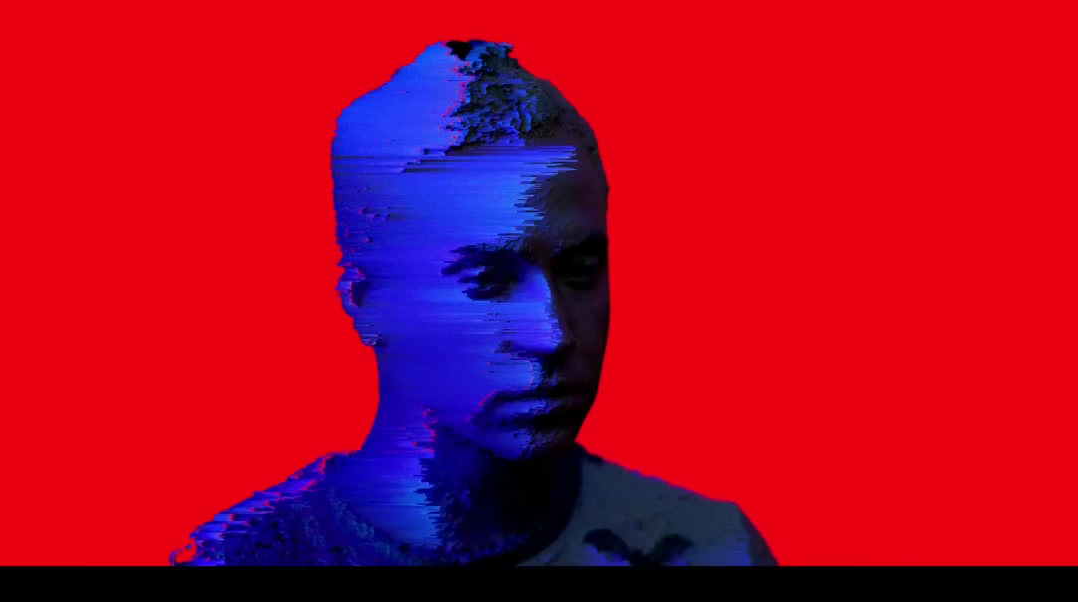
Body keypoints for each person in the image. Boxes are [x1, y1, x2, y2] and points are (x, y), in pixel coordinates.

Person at [172, 40, 777, 566]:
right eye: (487, 281)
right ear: (367, 301)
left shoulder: (708, 549)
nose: (553, 333)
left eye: (580, 271)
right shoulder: (245, 556)